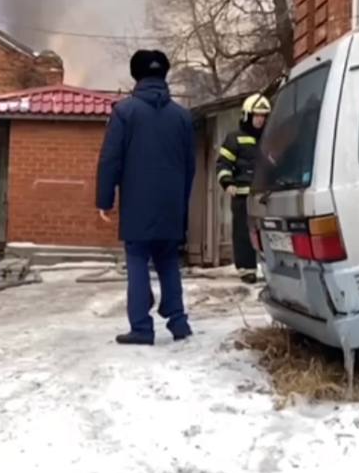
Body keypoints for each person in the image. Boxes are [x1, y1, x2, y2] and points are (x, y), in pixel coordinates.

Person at [96, 49, 196, 345]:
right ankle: (178, 322)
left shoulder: (125, 112)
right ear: (164, 75)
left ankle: (141, 327)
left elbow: (110, 159)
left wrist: (104, 199)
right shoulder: (182, 116)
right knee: (167, 260)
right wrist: (181, 201)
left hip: (137, 204)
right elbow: (190, 166)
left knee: (138, 258)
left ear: (135, 75)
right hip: (171, 203)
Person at [217, 93, 272, 284]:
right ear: (247, 115)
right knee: (242, 233)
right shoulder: (235, 138)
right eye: (257, 115)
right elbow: (223, 164)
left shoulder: (269, 139)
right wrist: (227, 182)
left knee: (268, 233)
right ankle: (247, 269)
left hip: (265, 197)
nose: (260, 120)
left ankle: (270, 268)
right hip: (242, 196)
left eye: (264, 116)